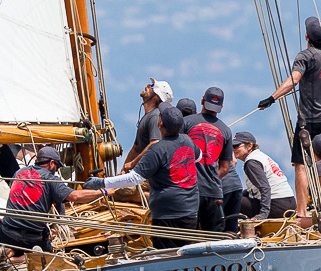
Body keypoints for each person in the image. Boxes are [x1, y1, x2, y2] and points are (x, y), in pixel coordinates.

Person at [76, 103, 198, 248]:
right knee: (186, 253)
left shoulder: (157, 149)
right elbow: (198, 157)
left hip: (167, 216)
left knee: (167, 254)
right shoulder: (187, 141)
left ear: (160, 124)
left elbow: (135, 178)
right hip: (190, 211)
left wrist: (103, 182)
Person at [257, 16, 321, 221]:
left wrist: (272, 98)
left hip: (308, 121)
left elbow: (294, 79)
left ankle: (302, 212)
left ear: (306, 37)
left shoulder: (304, 56)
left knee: (301, 164)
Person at [0, 146, 71, 259]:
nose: (56, 171)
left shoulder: (20, 173)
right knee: (33, 244)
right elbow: (72, 196)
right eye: (57, 167)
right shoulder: (51, 180)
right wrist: (60, 223)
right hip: (34, 239)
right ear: (52, 163)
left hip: (9, 233)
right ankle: (14, 256)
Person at [180, 86, 231, 232]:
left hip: (189, 190)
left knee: (186, 236)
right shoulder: (226, 130)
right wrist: (211, 178)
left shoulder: (186, 122)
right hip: (213, 192)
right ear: (221, 106)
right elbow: (225, 168)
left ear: (202, 101)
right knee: (214, 238)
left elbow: (176, 154)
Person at [232, 131, 296, 238]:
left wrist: (263, 214)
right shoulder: (260, 156)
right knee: (240, 197)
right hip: (289, 203)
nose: (233, 149)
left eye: (237, 146)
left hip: (276, 206)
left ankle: (230, 231)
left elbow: (265, 188)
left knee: (233, 200)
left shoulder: (251, 162)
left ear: (249, 146)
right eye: (232, 146)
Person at [122, 78, 173, 171]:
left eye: (152, 86)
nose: (148, 85)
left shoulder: (155, 116)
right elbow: (136, 149)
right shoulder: (148, 116)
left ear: (156, 97)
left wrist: (132, 164)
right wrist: (123, 171)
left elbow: (155, 143)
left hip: (151, 175)